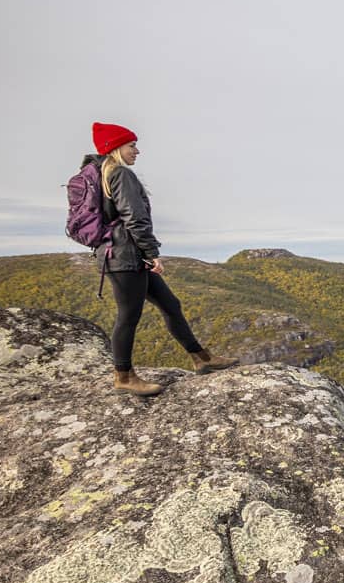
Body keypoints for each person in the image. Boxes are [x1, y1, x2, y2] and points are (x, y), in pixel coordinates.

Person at [86, 121, 237, 396]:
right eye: (132, 145)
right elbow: (135, 218)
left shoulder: (102, 174)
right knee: (129, 315)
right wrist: (151, 254)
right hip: (126, 257)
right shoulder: (119, 174)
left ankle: (201, 358)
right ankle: (124, 376)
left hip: (122, 255)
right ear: (116, 148)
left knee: (170, 304)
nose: (137, 151)